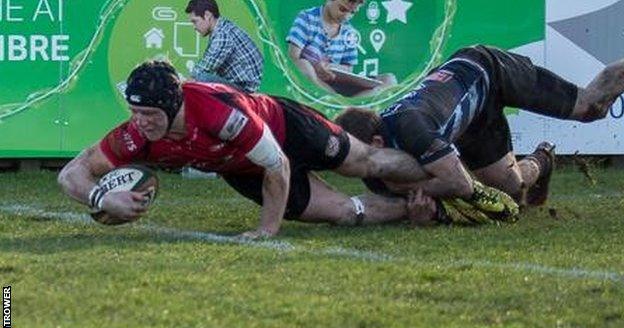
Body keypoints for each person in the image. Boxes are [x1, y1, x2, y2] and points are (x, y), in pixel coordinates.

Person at [58, 61, 511, 239]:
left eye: (150, 114)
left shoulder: (220, 112)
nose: (141, 123)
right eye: (135, 112)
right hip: (241, 167)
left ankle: (450, 174)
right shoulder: (136, 133)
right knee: (343, 213)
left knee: (363, 162)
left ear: (174, 104)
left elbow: (275, 162)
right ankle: (422, 208)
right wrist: (102, 197)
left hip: (284, 127)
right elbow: (72, 173)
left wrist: (266, 229)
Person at [335, 45, 624, 206]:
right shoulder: (375, 167)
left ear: (376, 145)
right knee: (512, 190)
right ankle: (543, 159)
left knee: (590, 107)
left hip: (487, 67)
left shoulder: (410, 126)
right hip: (471, 115)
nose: (352, 164)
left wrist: (411, 191)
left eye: (353, 155)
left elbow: (458, 183)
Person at [286, 0, 396, 96]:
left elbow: (349, 69)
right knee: (303, 65)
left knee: (389, 79)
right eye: (342, 9)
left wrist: (330, 67)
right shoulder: (307, 18)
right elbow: (293, 58)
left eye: (352, 13)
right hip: (314, 81)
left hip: (337, 84)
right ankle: (338, 102)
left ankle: (350, 105)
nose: (346, 16)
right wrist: (316, 68)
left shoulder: (349, 31)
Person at [186, 0, 263, 93]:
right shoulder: (223, 28)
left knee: (202, 78)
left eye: (195, 21)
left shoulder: (223, 35)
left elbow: (204, 68)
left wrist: (183, 84)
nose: (194, 26)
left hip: (249, 93)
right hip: (244, 87)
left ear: (207, 15)